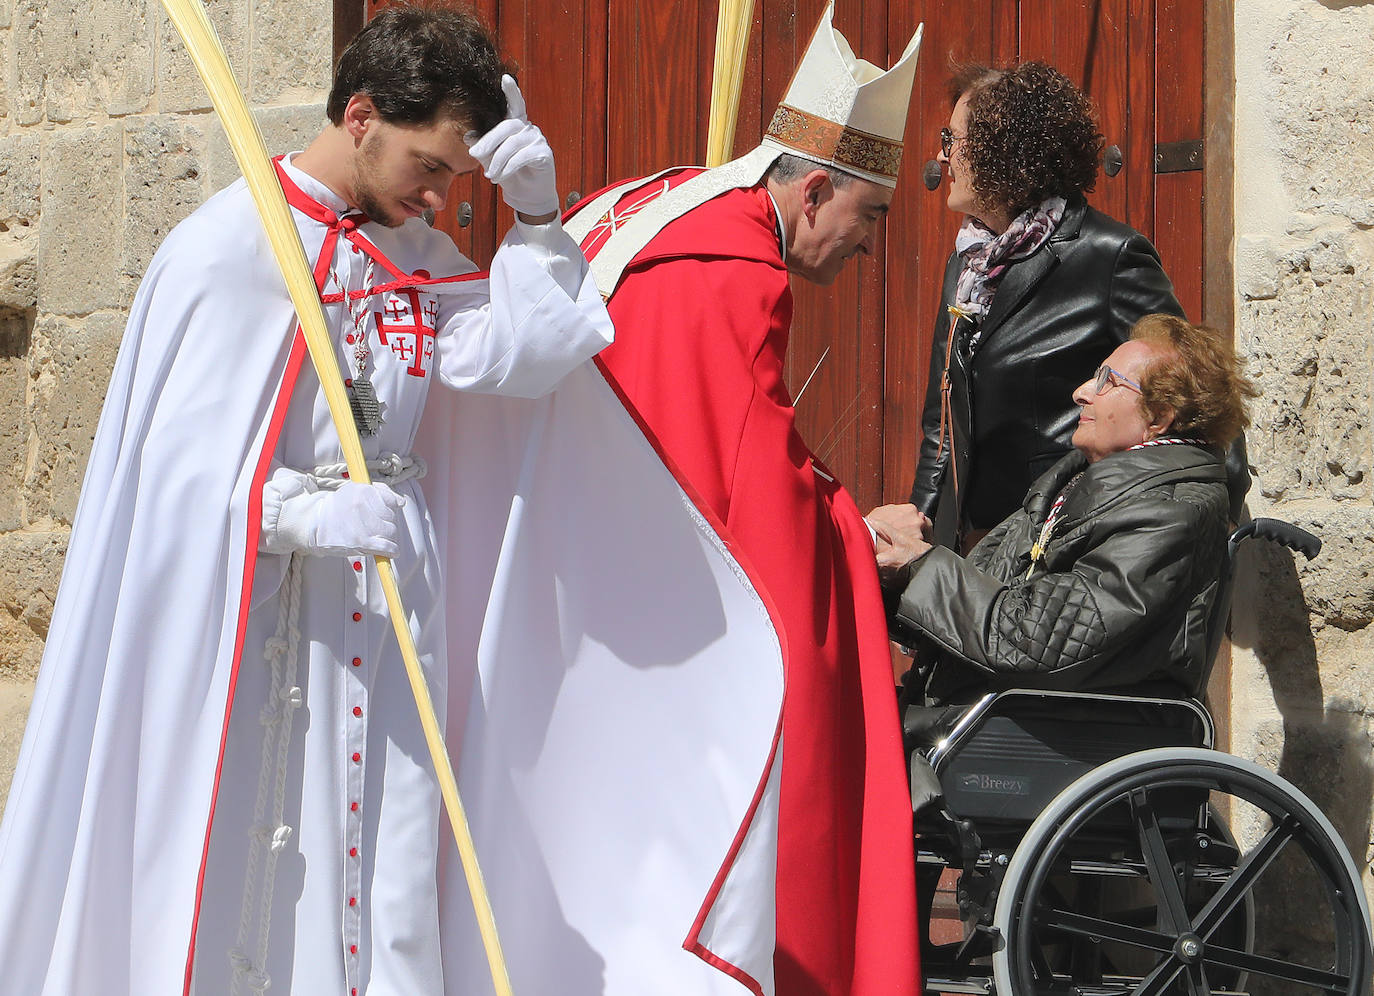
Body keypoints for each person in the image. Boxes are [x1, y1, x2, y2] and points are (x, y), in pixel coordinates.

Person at [0, 7, 617, 994]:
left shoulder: (416, 259)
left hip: (380, 617)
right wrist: (293, 511)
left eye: (455, 176)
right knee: (241, 862)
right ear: (361, 115)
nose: (438, 195)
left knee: (383, 863)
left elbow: (529, 360)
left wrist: (540, 220)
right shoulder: (223, 251)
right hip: (242, 629)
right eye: (429, 165)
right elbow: (159, 477)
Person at [562, 6, 924, 994]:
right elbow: (755, 502)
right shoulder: (736, 272)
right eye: (872, 218)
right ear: (814, 191)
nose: (867, 247)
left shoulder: (665, 205)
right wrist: (852, 527)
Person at [871, 314, 1255, 713]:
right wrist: (895, 571)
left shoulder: (1169, 514)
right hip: (978, 713)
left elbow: (1032, 639)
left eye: (1107, 381)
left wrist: (919, 566)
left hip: (1051, 733)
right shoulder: (1068, 490)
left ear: (1158, 418)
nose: (1081, 392)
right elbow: (984, 601)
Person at [911, 61, 1184, 552]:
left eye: (951, 140)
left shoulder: (1110, 257)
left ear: (1003, 151)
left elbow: (1187, 401)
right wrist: (923, 534)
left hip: (1060, 548)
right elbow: (942, 420)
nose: (940, 156)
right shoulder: (969, 262)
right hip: (972, 548)